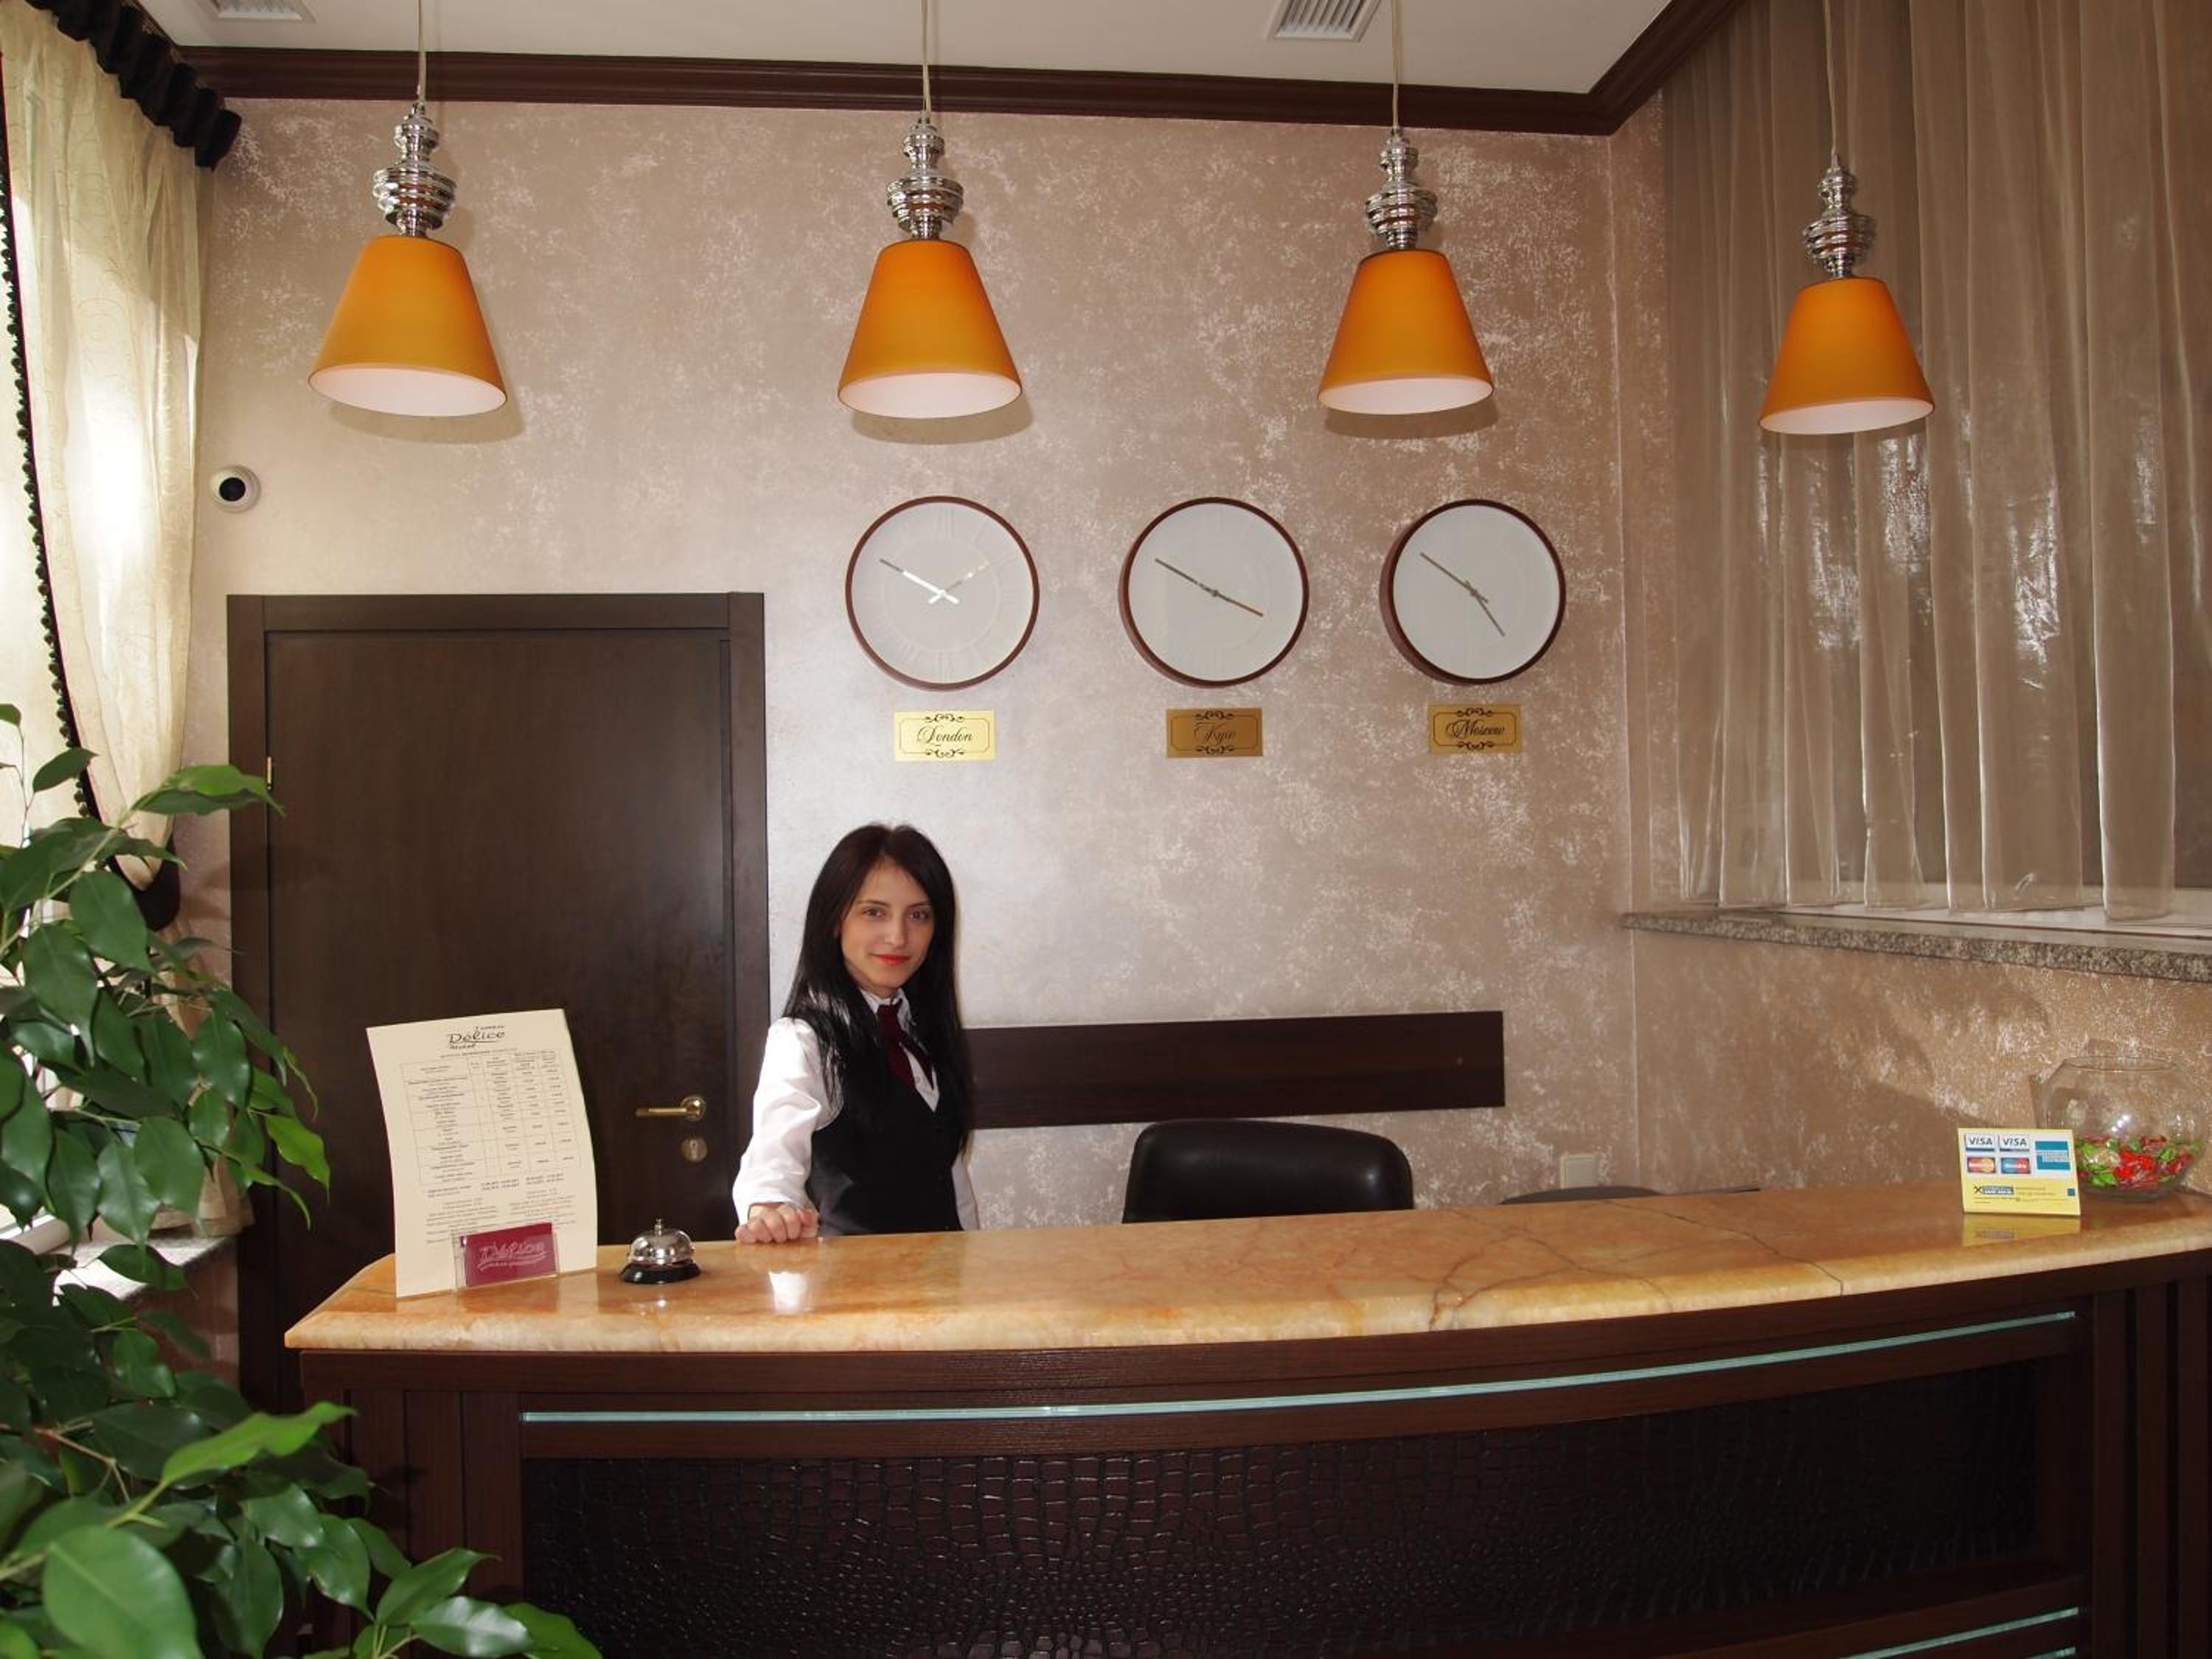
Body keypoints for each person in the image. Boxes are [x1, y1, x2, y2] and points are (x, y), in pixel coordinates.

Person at [732, 824, 977, 1243]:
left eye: (918, 915)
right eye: (874, 912)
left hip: (947, 1276)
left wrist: (972, 1253)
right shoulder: (803, 1040)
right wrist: (769, 1207)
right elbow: (774, 1151)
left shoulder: (925, 1032)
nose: (898, 936)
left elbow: (953, 1182)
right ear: (835, 920)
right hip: (860, 1280)